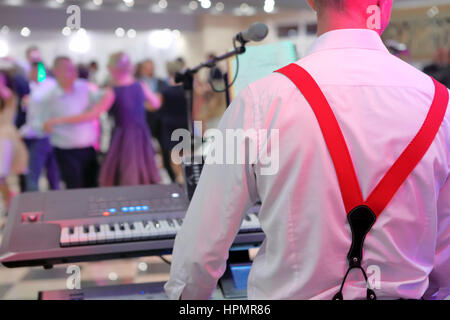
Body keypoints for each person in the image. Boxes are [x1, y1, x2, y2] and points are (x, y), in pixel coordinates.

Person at [165, 0, 450, 300]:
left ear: (312, 1)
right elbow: (444, 255)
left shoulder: (259, 101)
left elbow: (201, 248)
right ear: (385, 4)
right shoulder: (441, 105)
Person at [45, 52, 162, 186]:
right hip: (141, 135)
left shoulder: (112, 92)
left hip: (124, 138)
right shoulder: (141, 86)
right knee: (141, 174)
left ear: (112, 69)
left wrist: (57, 120)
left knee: (127, 176)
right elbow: (156, 104)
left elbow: (91, 115)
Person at [41, 57, 100, 189]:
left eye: (73, 69)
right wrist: (46, 126)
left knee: (93, 185)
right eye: (67, 69)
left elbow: (100, 103)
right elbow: (42, 123)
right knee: (74, 186)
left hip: (88, 147)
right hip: (65, 150)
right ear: (56, 71)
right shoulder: (49, 96)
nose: (73, 72)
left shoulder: (85, 87)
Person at [19, 62, 60, 192]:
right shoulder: (35, 87)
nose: (29, 74)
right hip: (36, 134)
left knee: (36, 175)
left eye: (31, 71)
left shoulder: (48, 86)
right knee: (45, 174)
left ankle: (36, 206)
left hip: (42, 135)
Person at [0, 71, 28, 209]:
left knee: (6, 176)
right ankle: (8, 205)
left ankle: (12, 207)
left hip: (5, 138)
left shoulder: (8, 95)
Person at [159, 61, 189, 184]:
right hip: (183, 120)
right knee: (185, 150)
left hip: (170, 122)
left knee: (174, 152)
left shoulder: (164, 87)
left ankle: (179, 177)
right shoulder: (186, 86)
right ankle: (186, 176)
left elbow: (158, 104)